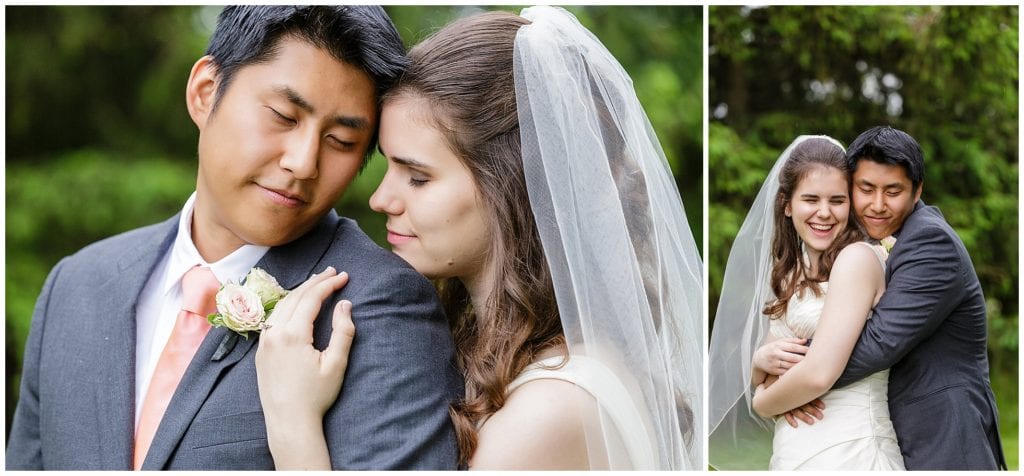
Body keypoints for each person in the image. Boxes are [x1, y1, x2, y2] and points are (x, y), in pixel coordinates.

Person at [6, 6, 461, 470]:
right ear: (205, 93)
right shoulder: (76, 284)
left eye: (341, 141)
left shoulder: (380, 308)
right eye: (284, 116)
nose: (303, 163)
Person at [254, 6, 703, 470]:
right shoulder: (518, 361)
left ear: (513, 188)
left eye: (418, 177)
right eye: (389, 166)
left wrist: (293, 423)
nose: (381, 199)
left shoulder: (550, 410)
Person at [813, 126, 1003, 470]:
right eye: (866, 189)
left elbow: (879, 342)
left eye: (893, 191)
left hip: (945, 438)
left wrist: (795, 376)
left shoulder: (931, 242)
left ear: (917, 191)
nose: (878, 205)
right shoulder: (870, 243)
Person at [709, 135, 905, 469]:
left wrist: (763, 403)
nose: (824, 213)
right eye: (811, 199)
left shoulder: (859, 259)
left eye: (837, 200)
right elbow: (773, 373)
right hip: (793, 449)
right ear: (787, 204)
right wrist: (759, 363)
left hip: (850, 447)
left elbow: (816, 377)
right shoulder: (789, 277)